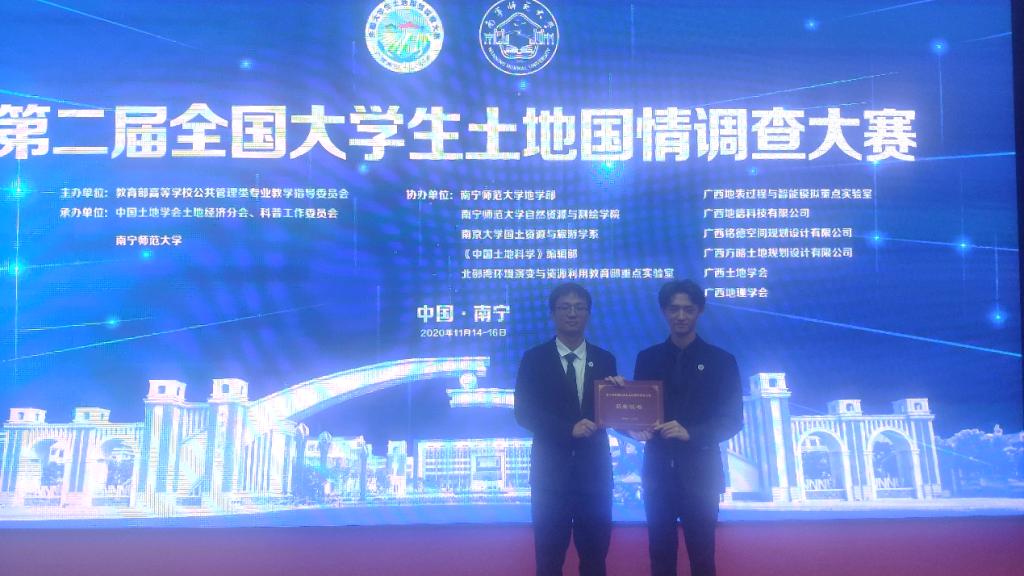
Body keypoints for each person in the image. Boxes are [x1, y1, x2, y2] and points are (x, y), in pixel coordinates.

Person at [629, 280, 743, 576]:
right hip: (658, 475)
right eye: (674, 309)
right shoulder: (647, 358)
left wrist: (691, 433)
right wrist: (629, 423)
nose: (681, 316)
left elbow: (732, 420)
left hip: (701, 475)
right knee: (660, 557)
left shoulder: (721, 361)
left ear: (699, 311)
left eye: (688, 309)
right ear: (664, 311)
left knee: (702, 558)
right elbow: (637, 412)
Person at [515, 283, 618, 576]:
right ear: (552, 314)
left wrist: (627, 412)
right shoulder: (534, 359)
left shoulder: (606, 359)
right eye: (564, 307)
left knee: (595, 561)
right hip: (550, 479)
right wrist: (567, 429)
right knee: (549, 562)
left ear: (588, 313)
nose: (572, 313)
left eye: (579, 307)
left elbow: (610, 413)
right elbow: (524, 413)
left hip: (594, 477)